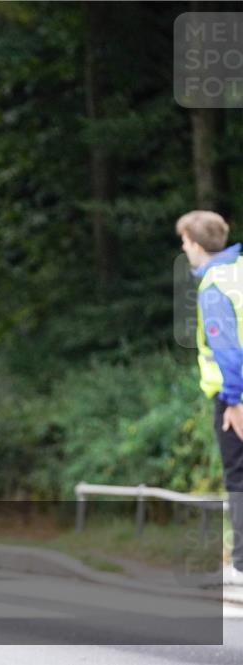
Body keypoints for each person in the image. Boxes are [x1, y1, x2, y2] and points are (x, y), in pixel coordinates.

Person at [177, 210, 243, 584]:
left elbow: (229, 350)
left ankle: (242, 566)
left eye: (185, 242)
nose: (184, 249)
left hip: (236, 393)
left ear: (197, 244)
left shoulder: (215, 285)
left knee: (239, 476)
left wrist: (234, 401)